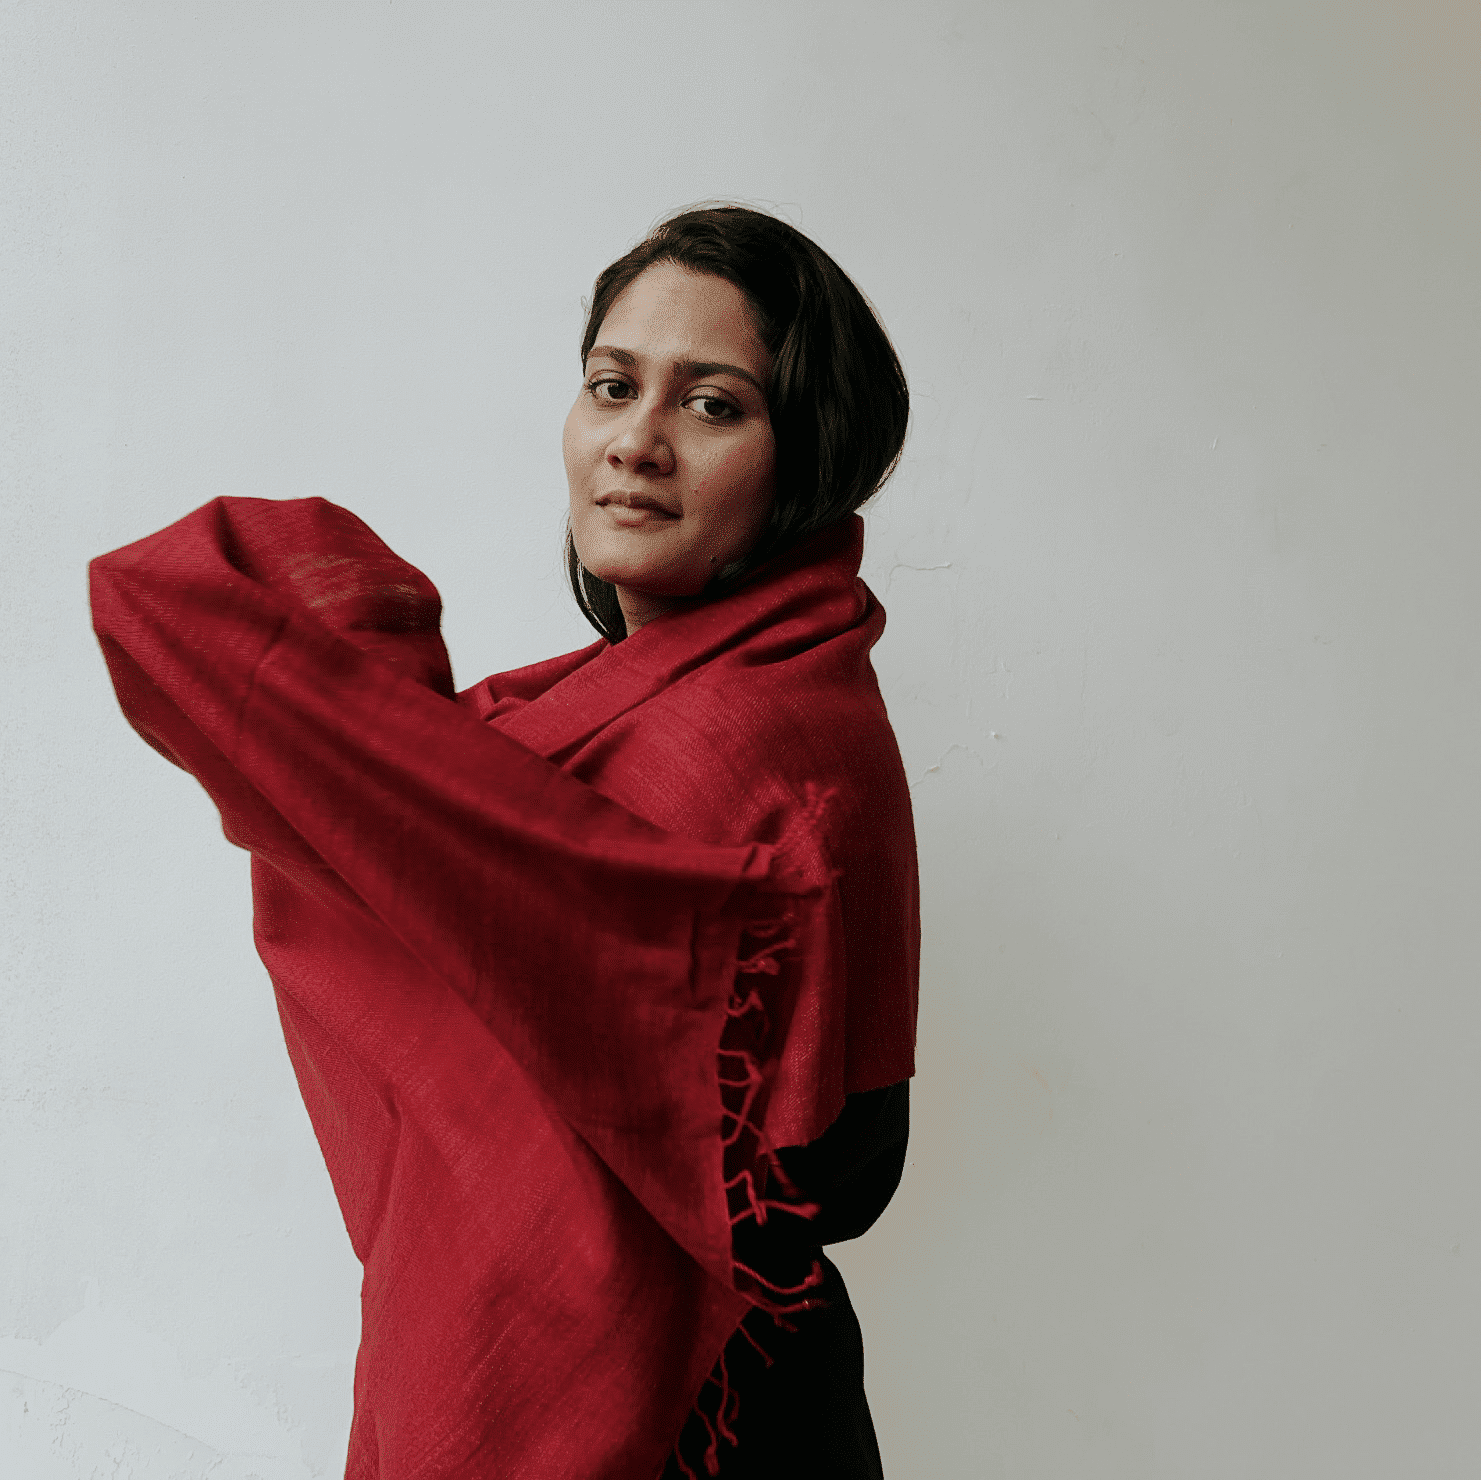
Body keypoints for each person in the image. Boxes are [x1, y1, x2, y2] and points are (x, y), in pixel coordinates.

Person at [90, 205, 919, 1479]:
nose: (636, 442)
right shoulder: (557, 730)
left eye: (711, 406)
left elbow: (834, 1160)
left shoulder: (765, 731)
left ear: (801, 455)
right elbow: (164, 599)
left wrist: (385, 772)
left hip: (700, 1419)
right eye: (610, 385)